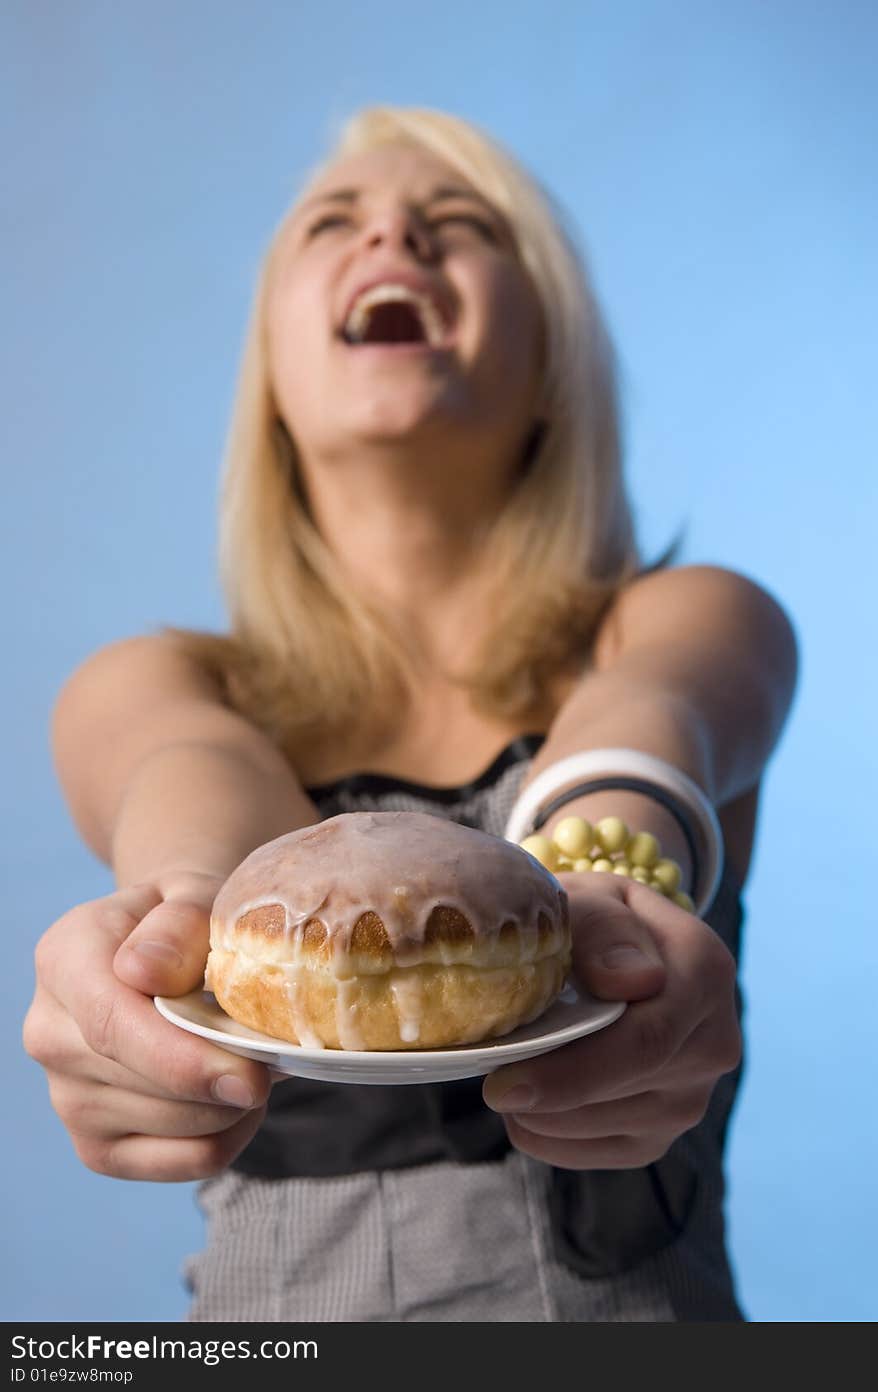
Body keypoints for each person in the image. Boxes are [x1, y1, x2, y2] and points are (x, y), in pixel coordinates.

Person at [24, 106, 799, 1322]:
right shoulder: (157, 684)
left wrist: (601, 875)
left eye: (460, 225)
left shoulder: (689, 616)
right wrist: (177, 930)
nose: (389, 229)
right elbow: (195, 790)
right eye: (334, 222)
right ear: (269, 374)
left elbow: (645, 725)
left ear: (552, 354)